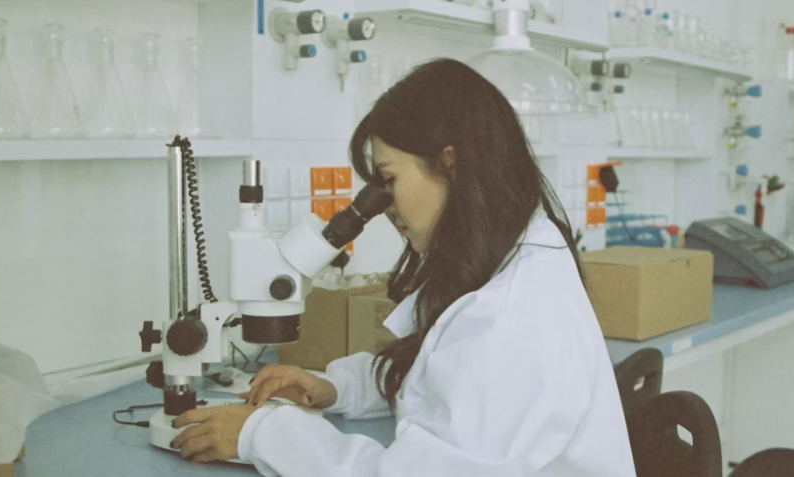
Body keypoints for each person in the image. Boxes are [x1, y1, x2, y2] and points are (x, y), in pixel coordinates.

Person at [169, 58, 635, 476]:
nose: (383, 205)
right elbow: (440, 381)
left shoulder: (511, 317)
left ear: (450, 165)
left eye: (388, 179)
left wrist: (262, 434)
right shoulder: (513, 254)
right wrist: (333, 388)